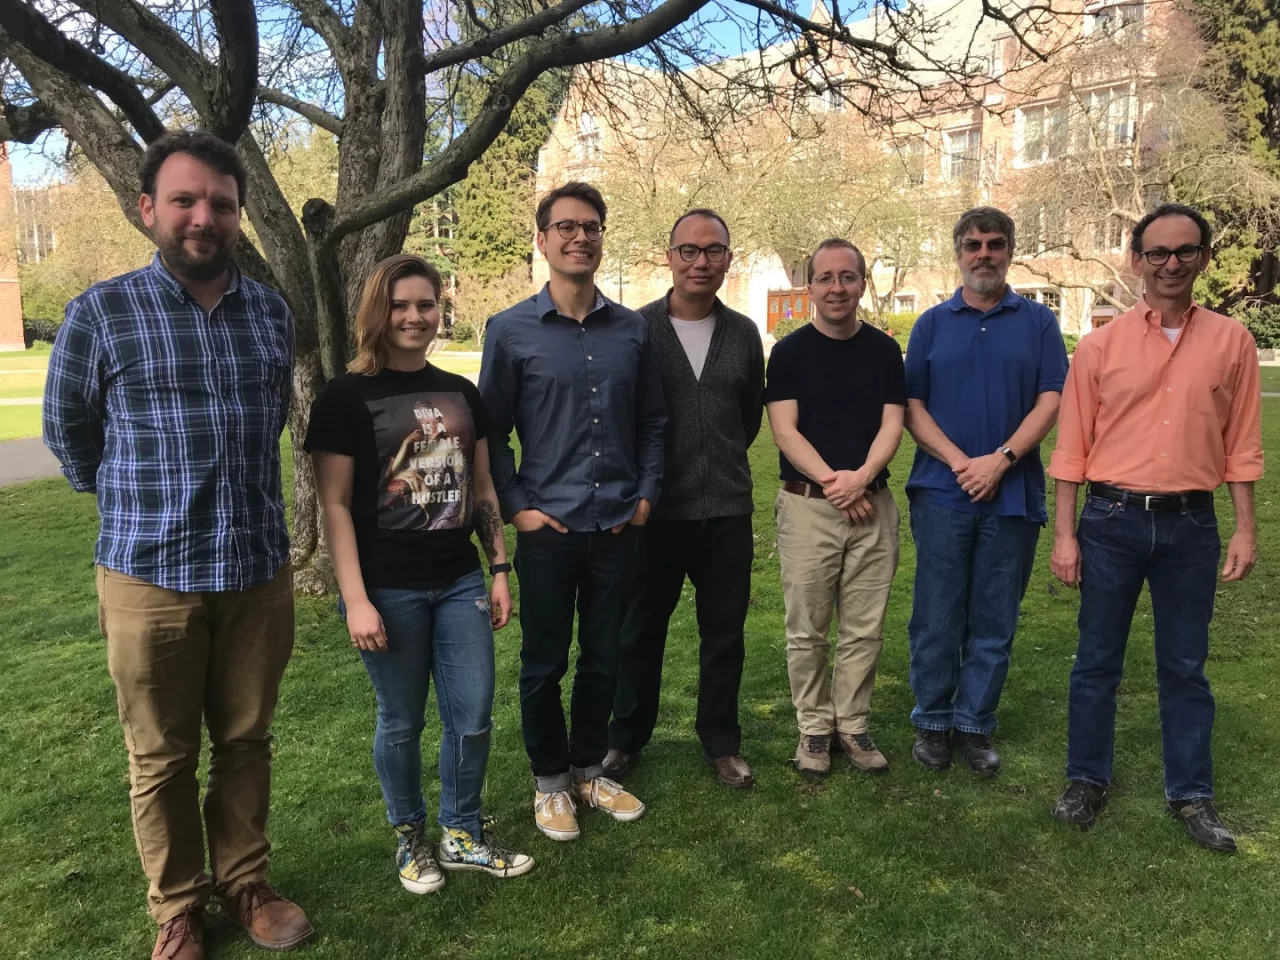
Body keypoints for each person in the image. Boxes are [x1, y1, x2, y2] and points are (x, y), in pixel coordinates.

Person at [43, 131, 311, 960]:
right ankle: (177, 909)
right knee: (159, 755)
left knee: (246, 740)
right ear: (147, 209)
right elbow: (69, 436)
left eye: (222, 205)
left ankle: (246, 884)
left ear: (238, 217)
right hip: (147, 574)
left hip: (256, 571)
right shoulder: (101, 313)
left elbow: (272, 420)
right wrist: (136, 506)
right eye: (186, 201)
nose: (205, 218)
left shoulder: (270, 313)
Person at [306, 254, 535, 894]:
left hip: (460, 579)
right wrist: (356, 599)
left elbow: (483, 486)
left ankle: (461, 833)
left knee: (474, 714)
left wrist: (496, 570)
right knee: (401, 720)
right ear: (377, 311)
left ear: (440, 309)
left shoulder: (462, 394)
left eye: (426, 304)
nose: (414, 317)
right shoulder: (344, 398)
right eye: (400, 305)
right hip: (388, 588)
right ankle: (410, 838)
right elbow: (335, 506)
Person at [1047, 204, 1263, 852]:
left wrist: (1245, 527)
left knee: (1186, 666)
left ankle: (1192, 794)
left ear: (1201, 258)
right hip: (1110, 522)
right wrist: (1063, 534)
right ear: (1136, 261)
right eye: (1158, 253)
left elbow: (1242, 445)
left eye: (1185, 251)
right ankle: (1086, 780)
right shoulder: (1099, 347)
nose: (1171, 264)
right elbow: (1071, 448)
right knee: (1096, 663)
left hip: (1192, 526)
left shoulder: (1233, 342)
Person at [479, 182, 665, 840]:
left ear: (601, 236)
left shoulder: (632, 330)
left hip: (617, 523)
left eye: (591, 226)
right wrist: (519, 509)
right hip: (548, 530)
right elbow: (490, 432)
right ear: (543, 239)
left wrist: (645, 495)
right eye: (565, 227)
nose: (579, 236)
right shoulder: (509, 331)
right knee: (544, 662)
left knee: (605, 658)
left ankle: (591, 770)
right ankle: (550, 782)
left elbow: (651, 423)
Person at [904, 206, 1068, 776]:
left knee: (995, 618)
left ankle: (974, 724)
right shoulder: (930, 323)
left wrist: (999, 461)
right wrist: (958, 463)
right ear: (958, 253)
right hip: (942, 493)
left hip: (1013, 493)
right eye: (972, 244)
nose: (983, 254)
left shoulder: (1039, 323)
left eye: (995, 244)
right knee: (936, 614)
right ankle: (932, 720)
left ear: (1009, 251)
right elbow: (912, 406)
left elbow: (1052, 399)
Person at [605, 209, 765, 789]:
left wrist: (716, 461)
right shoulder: (636, 329)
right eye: (689, 251)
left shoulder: (744, 334)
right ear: (669, 257)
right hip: (655, 512)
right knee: (640, 630)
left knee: (724, 632)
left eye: (714, 251)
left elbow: (747, 418)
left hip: (726, 509)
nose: (702, 262)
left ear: (727, 258)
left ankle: (721, 741)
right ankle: (625, 738)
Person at [765, 238, 906, 779]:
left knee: (865, 628)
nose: (837, 288)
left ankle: (853, 725)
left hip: (873, 506)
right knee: (808, 629)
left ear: (862, 283)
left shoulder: (883, 350)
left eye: (847, 277)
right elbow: (784, 430)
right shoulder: (790, 352)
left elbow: (893, 423)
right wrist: (833, 482)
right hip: (808, 509)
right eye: (825, 278)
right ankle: (814, 730)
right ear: (810, 288)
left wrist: (863, 479)